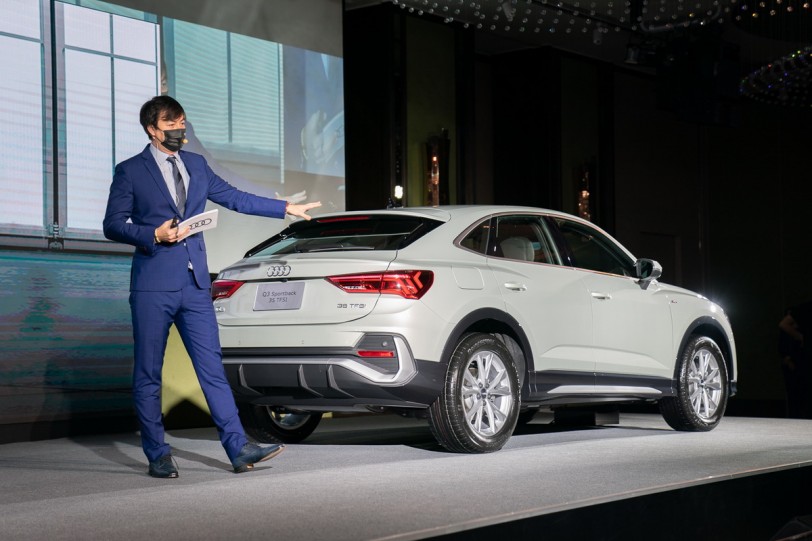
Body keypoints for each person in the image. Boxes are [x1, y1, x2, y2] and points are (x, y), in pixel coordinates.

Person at [103, 95, 320, 478]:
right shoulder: (131, 171)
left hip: (195, 284)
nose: (179, 130)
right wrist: (153, 233)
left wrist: (284, 208)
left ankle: (238, 447)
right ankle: (158, 454)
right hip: (153, 285)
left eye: (182, 122)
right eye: (170, 124)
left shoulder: (196, 164)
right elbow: (113, 224)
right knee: (149, 374)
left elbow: (234, 197)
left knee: (212, 371)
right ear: (152, 129)